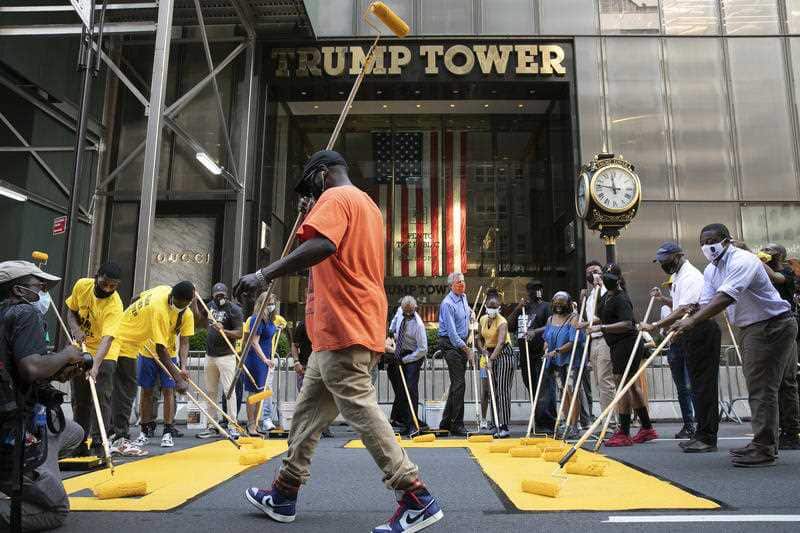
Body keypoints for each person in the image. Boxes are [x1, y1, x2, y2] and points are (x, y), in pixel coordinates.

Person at [234, 150, 442, 532]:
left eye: (310, 183)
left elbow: (323, 246)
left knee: (361, 408)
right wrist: (312, 209)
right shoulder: (365, 204)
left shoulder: (335, 198)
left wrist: (265, 274)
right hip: (344, 328)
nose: (309, 192)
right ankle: (285, 491)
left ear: (324, 173)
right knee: (307, 414)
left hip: (344, 325)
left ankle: (415, 494)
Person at [671, 224, 799, 467]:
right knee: (761, 385)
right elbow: (706, 304)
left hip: (773, 325)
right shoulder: (711, 270)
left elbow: (725, 297)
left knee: (763, 387)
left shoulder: (743, 260)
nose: (707, 246)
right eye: (703, 242)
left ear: (727, 240)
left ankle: (765, 447)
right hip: (752, 327)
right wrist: (681, 324)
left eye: (713, 240)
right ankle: (764, 442)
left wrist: (691, 322)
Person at [0, 260, 86, 531]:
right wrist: (67, 355)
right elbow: (32, 367)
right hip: (10, 428)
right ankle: (32, 484)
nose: (44, 292)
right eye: (40, 286)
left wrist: (59, 371)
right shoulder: (25, 313)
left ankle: (35, 482)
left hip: (10, 411)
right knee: (56, 511)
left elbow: (17, 369)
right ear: (18, 290)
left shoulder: (4, 314)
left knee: (73, 432)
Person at [643, 242, 721, 452]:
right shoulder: (678, 276)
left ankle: (707, 436)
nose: (663, 265)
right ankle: (700, 432)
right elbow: (679, 305)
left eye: (665, 261)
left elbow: (686, 309)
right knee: (696, 385)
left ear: (677, 257)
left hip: (701, 330)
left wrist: (656, 325)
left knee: (703, 387)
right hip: (689, 334)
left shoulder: (691, 276)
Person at [582, 263, 657, 447]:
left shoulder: (621, 298)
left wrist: (603, 327)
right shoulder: (606, 296)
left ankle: (623, 431)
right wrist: (587, 323)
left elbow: (627, 323)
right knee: (630, 384)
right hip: (615, 344)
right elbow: (601, 316)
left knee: (622, 383)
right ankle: (646, 427)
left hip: (627, 343)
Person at [112, 282, 193, 448]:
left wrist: (182, 368)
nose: (180, 307)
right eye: (178, 303)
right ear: (172, 297)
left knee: (166, 391)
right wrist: (178, 379)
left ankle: (167, 430)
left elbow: (136, 297)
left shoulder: (166, 292)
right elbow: (160, 349)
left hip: (166, 355)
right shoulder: (160, 310)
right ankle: (139, 431)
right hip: (141, 348)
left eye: (184, 304)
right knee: (140, 391)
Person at [64, 262, 124, 458]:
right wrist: (75, 329)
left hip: (105, 351)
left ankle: (100, 443)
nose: (107, 289)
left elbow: (107, 339)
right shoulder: (82, 285)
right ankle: (79, 442)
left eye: (112, 286)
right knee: (79, 399)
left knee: (101, 395)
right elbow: (71, 310)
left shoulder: (115, 305)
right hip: (81, 346)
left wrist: (95, 366)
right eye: (105, 283)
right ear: (96, 276)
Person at [759, 243, 800, 449]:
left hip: (786, 326)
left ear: (780, 255)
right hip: (766, 328)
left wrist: (756, 261)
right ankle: (774, 430)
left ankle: (791, 431)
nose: (765, 252)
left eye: (769, 250)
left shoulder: (786, 271)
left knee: (787, 381)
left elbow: (777, 279)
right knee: (772, 382)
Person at [198, 282, 243, 439]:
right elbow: (201, 315)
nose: (220, 298)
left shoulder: (234, 310)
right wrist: (196, 301)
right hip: (210, 355)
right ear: (213, 296)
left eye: (222, 295)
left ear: (227, 294)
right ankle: (212, 425)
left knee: (229, 392)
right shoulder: (210, 305)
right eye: (217, 296)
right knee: (210, 391)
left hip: (226, 356)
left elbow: (239, 333)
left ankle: (232, 424)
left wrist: (224, 330)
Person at [542, 292, 585, 439]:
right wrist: (547, 347)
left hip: (570, 361)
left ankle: (574, 425)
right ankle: (567, 423)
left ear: (568, 304)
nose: (559, 306)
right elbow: (547, 338)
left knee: (572, 392)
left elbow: (574, 342)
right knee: (563, 392)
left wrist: (557, 351)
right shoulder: (550, 319)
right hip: (555, 362)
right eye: (556, 303)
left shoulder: (574, 319)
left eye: (562, 304)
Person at [437, 272, 475, 437]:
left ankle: (445, 423)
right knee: (459, 384)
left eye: (463, 281)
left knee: (456, 385)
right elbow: (452, 335)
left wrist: (471, 313)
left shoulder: (463, 297)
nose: (462, 284)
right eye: (459, 282)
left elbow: (466, 311)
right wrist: (468, 350)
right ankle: (457, 424)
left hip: (461, 343)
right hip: (451, 345)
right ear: (451, 285)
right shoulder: (447, 303)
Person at [387, 296, 428, 436]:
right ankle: (404, 421)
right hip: (400, 352)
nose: (407, 315)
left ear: (415, 309)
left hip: (414, 355)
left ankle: (413, 424)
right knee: (400, 389)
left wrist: (406, 360)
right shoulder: (400, 311)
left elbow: (423, 350)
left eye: (410, 312)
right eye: (406, 312)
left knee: (410, 388)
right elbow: (393, 325)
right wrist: (391, 332)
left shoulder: (419, 325)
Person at [507, 281, 550, 416]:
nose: (536, 292)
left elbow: (551, 325)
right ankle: (537, 417)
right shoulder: (523, 308)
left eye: (538, 289)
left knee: (542, 387)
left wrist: (535, 332)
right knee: (530, 385)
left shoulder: (546, 307)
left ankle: (545, 419)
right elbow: (509, 326)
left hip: (540, 353)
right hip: (526, 355)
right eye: (532, 290)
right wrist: (517, 308)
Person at [477, 293, 515, 438]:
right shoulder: (483, 319)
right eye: (489, 307)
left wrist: (491, 359)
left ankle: (504, 425)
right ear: (486, 307)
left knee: (502, 390)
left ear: (498, 308)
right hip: (489, 353)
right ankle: (494, 423)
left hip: (504, 355)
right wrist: (482, 350)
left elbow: (500, 342)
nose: (492, 310)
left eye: (495, 308)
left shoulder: (502, 322)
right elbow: (479, 338)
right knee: (492, 391)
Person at [583, 261, 616, 423]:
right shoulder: (590, 296)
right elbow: (589, 318)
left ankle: (610, 422)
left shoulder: (606, 291)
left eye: (595, 271)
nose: (593, 275)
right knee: (599, 382)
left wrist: (600, 286)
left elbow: (602, 315)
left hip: (604, 338)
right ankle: (605, 419)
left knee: (605, 382)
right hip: (593, 341)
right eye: (589, 273)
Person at [240, 292, 277, 436]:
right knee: (253, 392)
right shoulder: (257, 319)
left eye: (273, 303)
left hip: (265, 359)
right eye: (268, 303)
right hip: (255, 359)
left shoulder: (270, 321)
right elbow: (254, 342)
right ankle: (250, 424)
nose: (271, 306)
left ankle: (255, 423)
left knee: (261, 393)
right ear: (262, 304)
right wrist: (264, 359)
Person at [292, 319, 332, 438]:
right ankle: (304, 427)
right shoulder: (304, 325)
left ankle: (322, 426)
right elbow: (295, 344)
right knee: (306, 397)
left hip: (323, 365)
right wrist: (296, 362)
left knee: (324, 396)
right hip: (305, 365)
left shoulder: (327, 323)